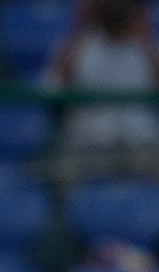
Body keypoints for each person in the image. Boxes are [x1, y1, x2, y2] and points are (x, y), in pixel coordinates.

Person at [40, 0, 159, 179]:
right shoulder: (78, 46)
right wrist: (79, 28)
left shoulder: (146, 47)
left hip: (140, 144)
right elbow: (50, 89)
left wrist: (145, 36)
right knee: (58, 170)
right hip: (87, 144)